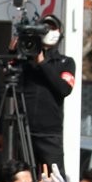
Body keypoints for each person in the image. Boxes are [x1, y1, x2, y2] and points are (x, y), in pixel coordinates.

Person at [19, 14, 75, 171]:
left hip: (50, 133)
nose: (48, 31)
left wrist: (42, 63)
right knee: (21, 177)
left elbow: (64, 89)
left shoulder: (66, 62)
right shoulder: (25, 62)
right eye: (44, 28)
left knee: (55, 179)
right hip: (23, 130)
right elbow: (8, 88)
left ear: (60, 32)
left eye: (52, 28)